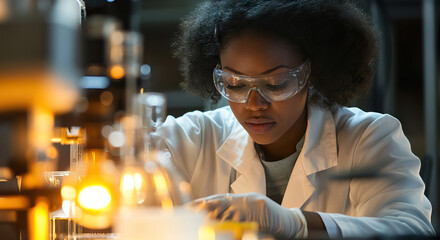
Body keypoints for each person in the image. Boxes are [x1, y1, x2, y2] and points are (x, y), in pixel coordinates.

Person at [158, 0, 436, 238]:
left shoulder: (369, 137)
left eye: (276, 84)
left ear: (311, 73)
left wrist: (297, 225)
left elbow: (412, 230)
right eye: (235, 84)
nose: (254, 105)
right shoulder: (192, 137)